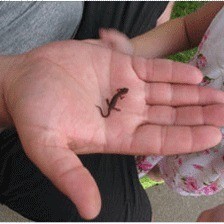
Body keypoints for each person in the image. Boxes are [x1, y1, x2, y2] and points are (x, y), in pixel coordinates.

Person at [1, 2, 224, 222]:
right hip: (42, 76)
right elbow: (186, 28)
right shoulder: (117, 96)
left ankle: (148, 171)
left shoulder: (118, 96)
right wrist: (131, 51)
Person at [99, 1, 224, 221]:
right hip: (167, 104)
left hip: (203, 160)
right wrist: (132, 51)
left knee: (171, 172)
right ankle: (141, 168)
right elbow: (186, 29)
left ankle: (154, 174)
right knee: (142, 148)